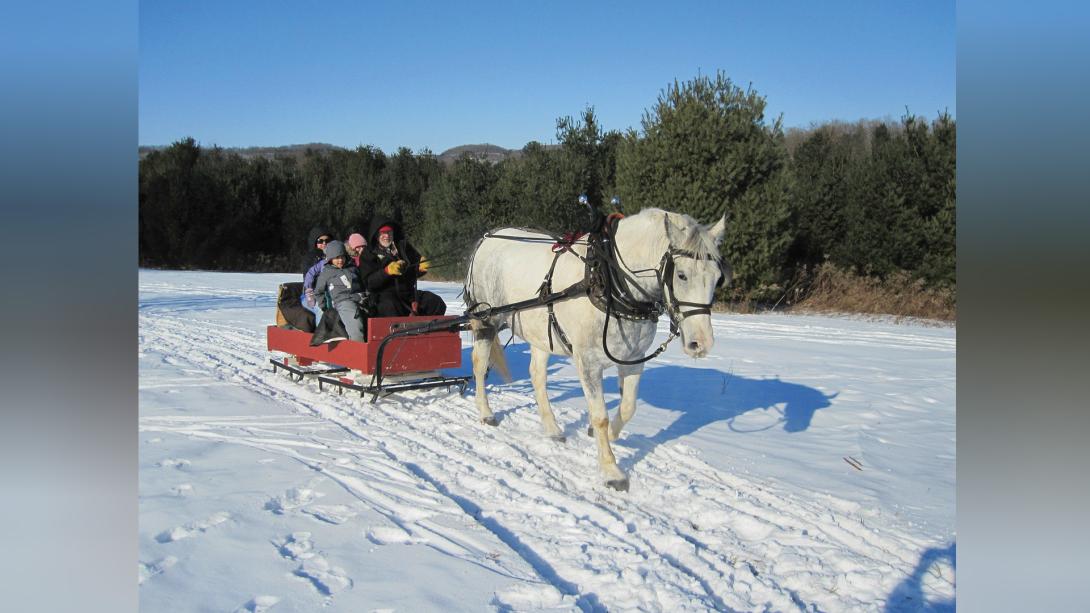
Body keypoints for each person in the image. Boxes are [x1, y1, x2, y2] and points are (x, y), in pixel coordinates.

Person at [358, 218, 446, 317]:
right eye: (383, 232)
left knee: (435, 302)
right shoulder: (368, 254)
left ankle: (430, 330)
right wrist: (387, 272)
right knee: (390, 306)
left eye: (389, 232)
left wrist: (420, 268)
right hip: (383, 296)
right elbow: (369, 283)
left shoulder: (403, 246)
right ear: (376, 234)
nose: (386, 236)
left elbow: (415, 266)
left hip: (408, 294)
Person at [312, 240, 368, 342]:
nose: (340, 260)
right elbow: (318, 291)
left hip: (361, 297)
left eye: (342, 257)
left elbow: (362, 282)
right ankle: (357, 349)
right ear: (330, 259)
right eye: (337, 258)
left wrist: (366, 294)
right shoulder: (327, 272)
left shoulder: (352, 268)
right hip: (343, 301)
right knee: (355, 323)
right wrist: (324, 306)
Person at [301, 226, 333, 324]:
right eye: (320, 241)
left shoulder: (336, 257)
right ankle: (321, 336)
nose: (324, 243)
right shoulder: (310, 258)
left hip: (332, 294)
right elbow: (308, 278)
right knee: (321, 308)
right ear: (314, 242)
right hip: (311, 295)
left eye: (327, 240)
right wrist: (310, 294)